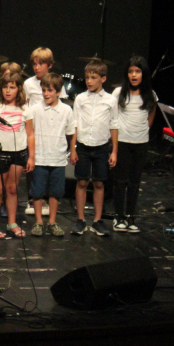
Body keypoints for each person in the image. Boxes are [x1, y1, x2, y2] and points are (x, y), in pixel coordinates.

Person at [70, 59, 119, 237]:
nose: (89, 81)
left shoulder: (111, 100)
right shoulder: (81, 98)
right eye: (87, 77)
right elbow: (74, 124)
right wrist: (73, 148)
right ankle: (81, 219)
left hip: (101, 147)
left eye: (93, 77)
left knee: (99, 183)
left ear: (103, 79)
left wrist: (114, 151)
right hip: (83, 145)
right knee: (82, 182)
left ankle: (98, 220)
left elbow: (114, 125)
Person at [0, 70, 29, 238]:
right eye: (5, 87)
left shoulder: (25, 109)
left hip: (19, 153)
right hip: (0, 153)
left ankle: (12, 223)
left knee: (12, 188)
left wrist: (32, 157)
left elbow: (30, 133)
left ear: (19, 89)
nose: (8, 91)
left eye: (12, 87)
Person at [26, 73, 74, 237]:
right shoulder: (35, 109)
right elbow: (29, 132)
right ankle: (39, 222)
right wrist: (31, 156)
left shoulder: (66, 110)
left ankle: (52, 222)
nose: (46, 94)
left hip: (58, 159)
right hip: (39, 157)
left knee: (55, 192)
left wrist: (71, 150)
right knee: (37, 192)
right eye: (44, 90)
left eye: (50, 90)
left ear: (58, 92)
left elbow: (71, 132)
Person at [112, 56, 156, 232]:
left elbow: (152, 111)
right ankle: (118, 216)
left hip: (141, 142)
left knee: (134, 181)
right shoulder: (119, 93)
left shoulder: (150, 95)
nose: (134, 75)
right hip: (122, 141)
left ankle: (130, 216)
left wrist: (146, 127)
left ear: (143, 73)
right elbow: (113, 118)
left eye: (137, 71)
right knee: (120, 180)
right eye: (131, 71)